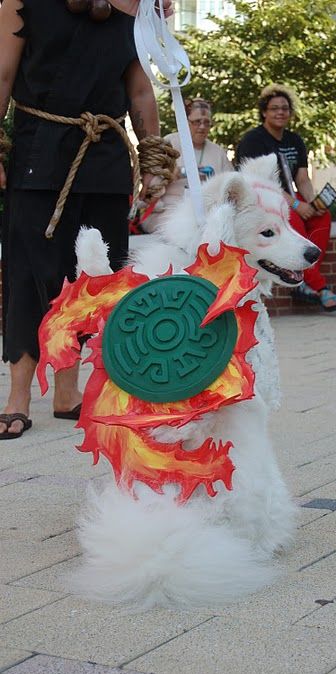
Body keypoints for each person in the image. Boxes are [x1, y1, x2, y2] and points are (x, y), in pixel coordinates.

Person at [0, 0, 166, 439]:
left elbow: (140, 90)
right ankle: (18, 397)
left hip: (105, 158)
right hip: (38, 151)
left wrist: (152, 158)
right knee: (30, 275)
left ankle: (68, 393)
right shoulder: (19, 4)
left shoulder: (130, 15)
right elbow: (1, 76)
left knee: (95, 277)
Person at [235, 84, 336, 311]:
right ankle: (319, 287)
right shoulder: (253, 140)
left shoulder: (295, 140)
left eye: (285, 108)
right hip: (270, 205)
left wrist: (314, 203)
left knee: (322, 218)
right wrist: (296, 204)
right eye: (274, 108)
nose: (280, 112)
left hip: (295, 200)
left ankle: (303, 275)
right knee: (292, 218)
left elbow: (302, 179)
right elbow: (260, 183)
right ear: (264, 112)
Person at [142, 98, 233, 232]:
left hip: (206, 213)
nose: (202, 127)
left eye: (207, 122)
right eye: (196, 122)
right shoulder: (168, 143)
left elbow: (230, 184)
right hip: (166, 211)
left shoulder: (218, 152)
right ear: (185, 122)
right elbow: (148, 192)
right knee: (186, 229)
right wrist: (170, 176)